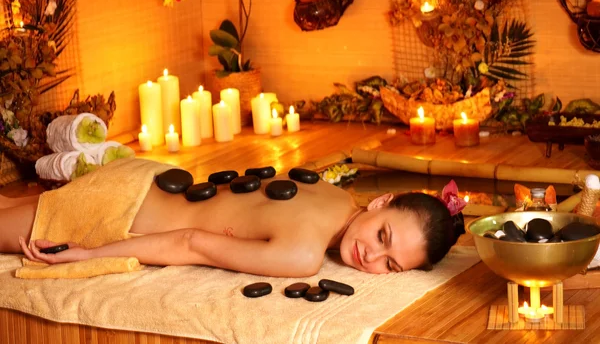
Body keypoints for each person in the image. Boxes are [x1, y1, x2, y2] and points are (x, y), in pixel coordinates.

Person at [0, 161, 465, 278]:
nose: (371, 255)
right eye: (383, 236)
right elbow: (190, 243)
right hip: (115, 211)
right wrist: (89, 254)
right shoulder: (303, 256)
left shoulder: (332, 190)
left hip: (149, 173)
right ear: (381, 202)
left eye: (390, 265)